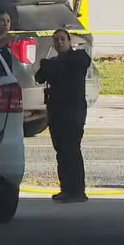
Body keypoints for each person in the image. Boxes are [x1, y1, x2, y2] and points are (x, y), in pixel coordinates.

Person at [35, 28, 92, 203]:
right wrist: (48, 65)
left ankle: (77, 191)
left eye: (62, 39)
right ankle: (66, 188)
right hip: (57, 112)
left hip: (73, 112)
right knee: (61, 151)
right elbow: (39, 76)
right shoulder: (54, 63)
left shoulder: (78, 58)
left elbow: (74, 64)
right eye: (56, 40)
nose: (59, 43)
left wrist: (49, 66)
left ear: (69, 41)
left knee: (71, 150)